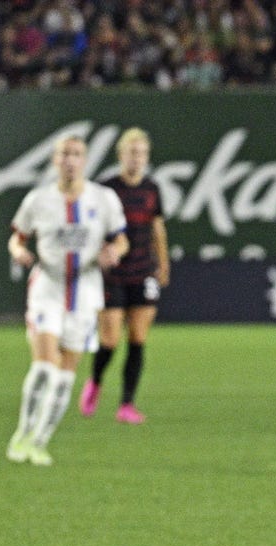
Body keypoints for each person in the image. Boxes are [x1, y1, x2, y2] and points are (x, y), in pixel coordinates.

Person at [6, 135, 128, 466]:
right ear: (54, 161)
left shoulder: (103, 199)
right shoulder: (38, 200)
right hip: (48, 287)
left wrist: (114, 251)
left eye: (76, 154)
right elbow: (17, 238)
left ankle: (40, 442)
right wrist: (19, 252)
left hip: (86, 292)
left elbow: (121, 239)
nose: (70, 160)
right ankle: (22, 434)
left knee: (65, 376)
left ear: (85, 160)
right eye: (64, 154)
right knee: (45, 367)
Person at [79, 127, 169, 424]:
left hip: (144, 270)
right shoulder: (106, 189)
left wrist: (163, 263)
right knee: (110, 339)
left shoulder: (152, 189)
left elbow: (157, 227)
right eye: (132, 152)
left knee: (139, 338)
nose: (137, 158)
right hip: (113, 272)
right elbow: (91, 227)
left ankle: (127, 404)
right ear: (121, 155)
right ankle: (95, 382)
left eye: (142, 153)